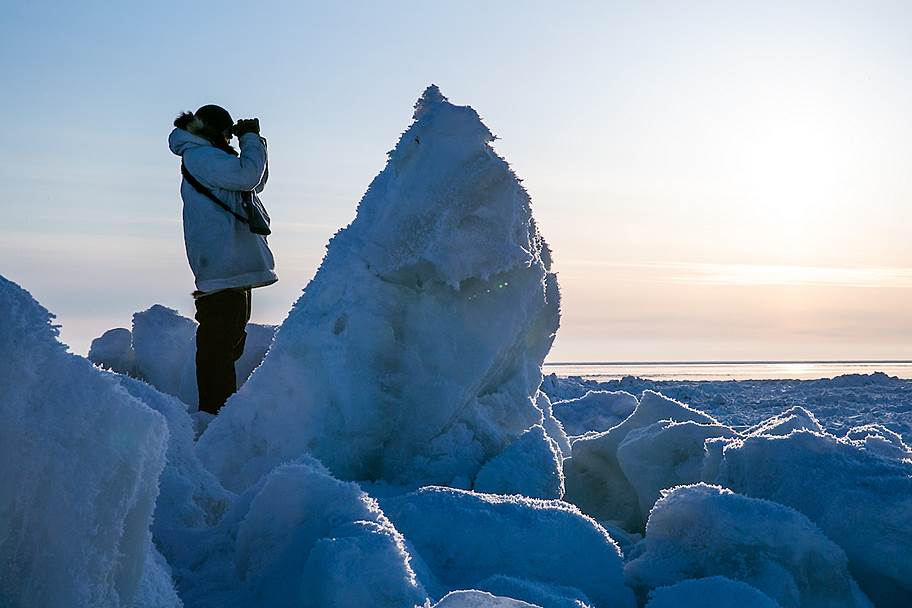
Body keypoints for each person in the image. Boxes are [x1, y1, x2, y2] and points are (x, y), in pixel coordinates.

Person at [168, 104, 277, 414]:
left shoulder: (210, 157)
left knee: (228, 341)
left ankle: (220, 410)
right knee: (218, 344)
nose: (231, 139)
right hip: (222, 267)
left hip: (232, 267)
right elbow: (247, 175)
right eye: (228, 134)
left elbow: (254, 179)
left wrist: (255, 142)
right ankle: (215, 413)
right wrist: (250, 139)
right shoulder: (201, 156)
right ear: (215, 132)